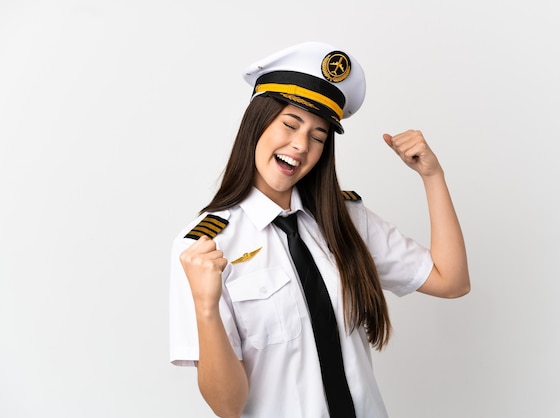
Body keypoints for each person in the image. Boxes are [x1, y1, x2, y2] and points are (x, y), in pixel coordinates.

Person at [169, 41, 470, 418]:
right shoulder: (204, 247)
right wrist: (206, 307)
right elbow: (228, 407)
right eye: (290, 125)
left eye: (318, 136)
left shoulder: (343, 217)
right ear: (257, 122)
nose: (300, 146)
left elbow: (451, 281)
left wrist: (432, 176)